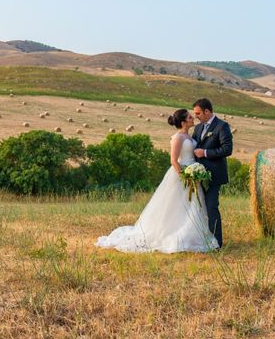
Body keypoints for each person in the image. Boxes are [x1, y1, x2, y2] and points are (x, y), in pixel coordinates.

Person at [95, 109, 219, 253]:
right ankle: (171, 236)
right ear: (183, 121)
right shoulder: (178, 138)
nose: (193, 118)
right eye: (190, 117)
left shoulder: (190, 136)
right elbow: (173, 161)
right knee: (175, 207)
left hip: (192, 175)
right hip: (181, 176)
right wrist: (185, 176)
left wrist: (195, 173)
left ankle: (193, 237)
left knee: (193, 207)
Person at [192, 98, 233, 248]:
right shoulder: (198, 128)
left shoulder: (222, 126)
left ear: (207, 111)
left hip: (214, 176)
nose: (196, 116)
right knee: (198, 208)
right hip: (197, 175)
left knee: (211, 207)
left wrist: (206, 153)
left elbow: (227, 149)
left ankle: (216, 243)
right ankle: (201, 240)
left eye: (198, 113)